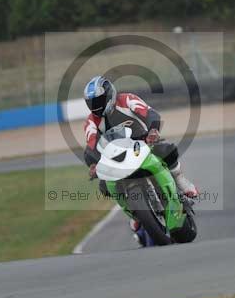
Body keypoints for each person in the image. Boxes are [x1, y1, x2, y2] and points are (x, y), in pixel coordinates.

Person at [82, 76, 199, 241]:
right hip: (116, 158)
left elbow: (149, 112)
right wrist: (94, 163)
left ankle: (180, 181)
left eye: (99, 100)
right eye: (92, 103)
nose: (96, 106)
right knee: (104, 185)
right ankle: (134, 212)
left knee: (167, 150)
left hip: (144, 143)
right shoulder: (91, 121)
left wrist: (153, 130)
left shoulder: (127, 99)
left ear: (109, 94)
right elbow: (91, 144)